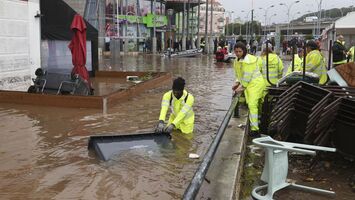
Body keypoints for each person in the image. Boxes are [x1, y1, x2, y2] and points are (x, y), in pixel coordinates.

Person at [232, 42, 266, 137]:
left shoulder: (249, 61)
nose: (238, 53)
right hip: (249, 84)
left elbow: (247, 76)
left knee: (252, 104)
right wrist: (237, 82)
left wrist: (241, 87)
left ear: (244, 51)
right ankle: (258, 123)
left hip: (255, 84)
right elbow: (239, 74)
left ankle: (255, 130)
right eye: (236, 51)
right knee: (254, 104)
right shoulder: (237, 60)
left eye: (240, 51)